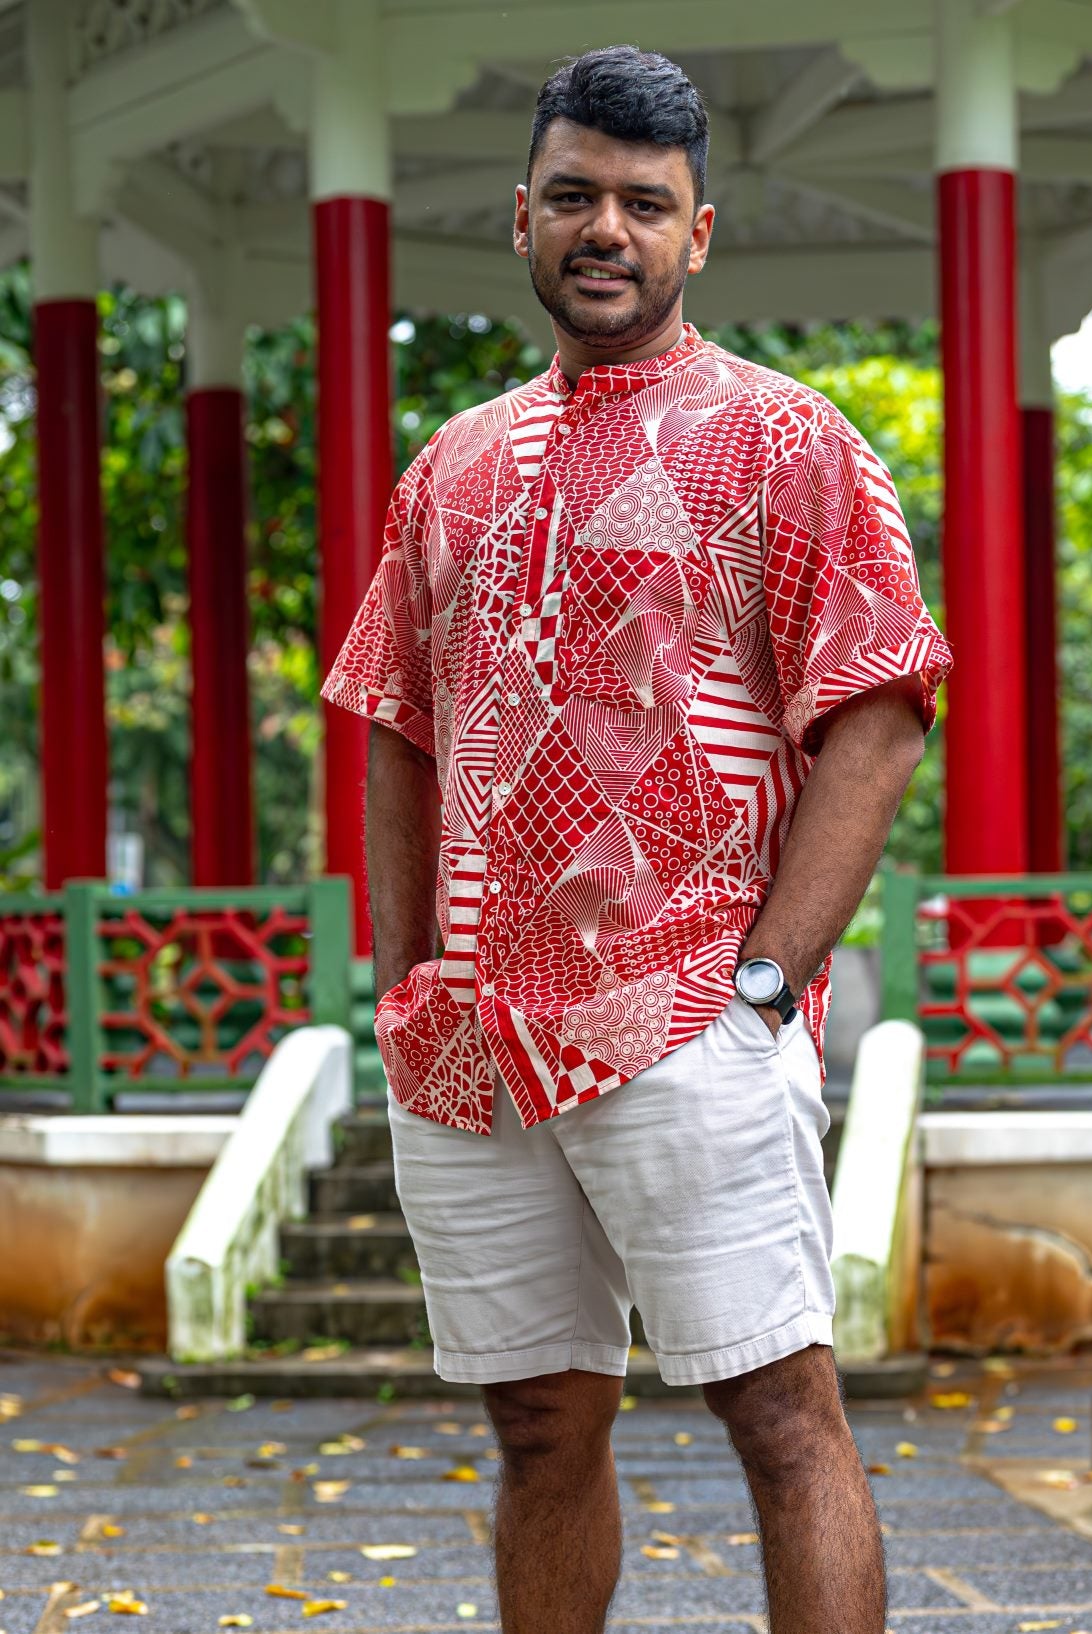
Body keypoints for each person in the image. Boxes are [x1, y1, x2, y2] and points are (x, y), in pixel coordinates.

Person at [322, 44, 951, 1634]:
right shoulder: (450, 464)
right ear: (521, 215)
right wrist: (405, 980)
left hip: (683, 1010)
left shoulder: (786, 440)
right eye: (576, 196)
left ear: (697, 233)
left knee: (779, 1411)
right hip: (475, 1038)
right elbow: (394, 714)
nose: (606, 229)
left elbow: (878, 711)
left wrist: (765, 984)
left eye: (644, 205)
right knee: (538, 1424)